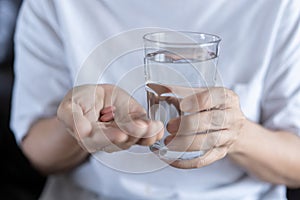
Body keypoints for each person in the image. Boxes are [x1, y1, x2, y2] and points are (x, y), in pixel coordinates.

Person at [11, 0, 300, 199]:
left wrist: (235, 134)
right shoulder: (55, 4)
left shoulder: (280, 6)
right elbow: (37, 153)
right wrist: (78, 126)